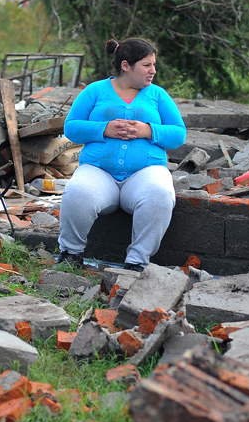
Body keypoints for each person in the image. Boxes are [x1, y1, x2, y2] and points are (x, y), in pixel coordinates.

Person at [57, 37, 186, 270]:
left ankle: (137, 261)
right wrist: (104, 129)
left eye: (153, 64)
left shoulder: (158, 95)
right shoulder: (95, 91)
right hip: (99, 172)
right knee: (77, 192)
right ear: (126, 66)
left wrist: (147, 130)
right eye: (147, 65)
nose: (153, 71)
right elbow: (71, 127)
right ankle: (70, 253)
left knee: (160, 193)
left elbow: (178, 134)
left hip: (144, 173)